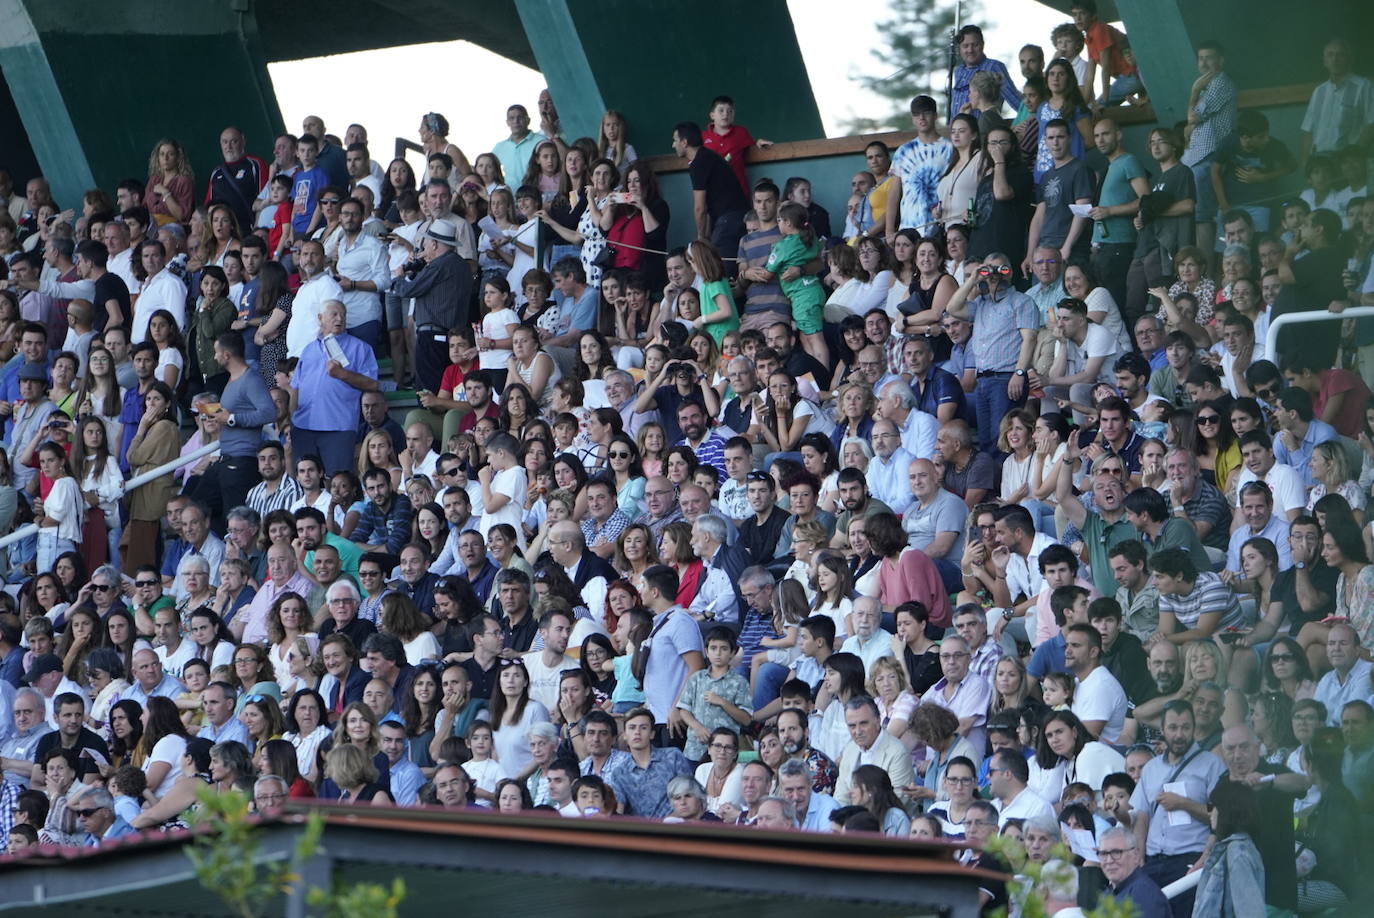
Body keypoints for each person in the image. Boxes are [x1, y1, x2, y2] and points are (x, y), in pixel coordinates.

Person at [944, 253, 1040, 454]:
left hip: (1006, 379)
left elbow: (1029, 339)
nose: (995, 274)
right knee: (987, 440)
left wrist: (1019, 373)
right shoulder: (980, 304)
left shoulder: (1022, 301)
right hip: (983, 380)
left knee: (1001, 439)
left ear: (1010, 272)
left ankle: (1004, 483)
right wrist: (973, 279)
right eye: (990, 269)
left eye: (1001, 269)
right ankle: (991, 484)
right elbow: (952, 307)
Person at [1191, 781, 1266, 918]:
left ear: (1226, 810)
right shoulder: (1234, 848)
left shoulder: (1238, 852)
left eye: (1212, 807)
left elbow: (1250, 911)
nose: (1210, 813)